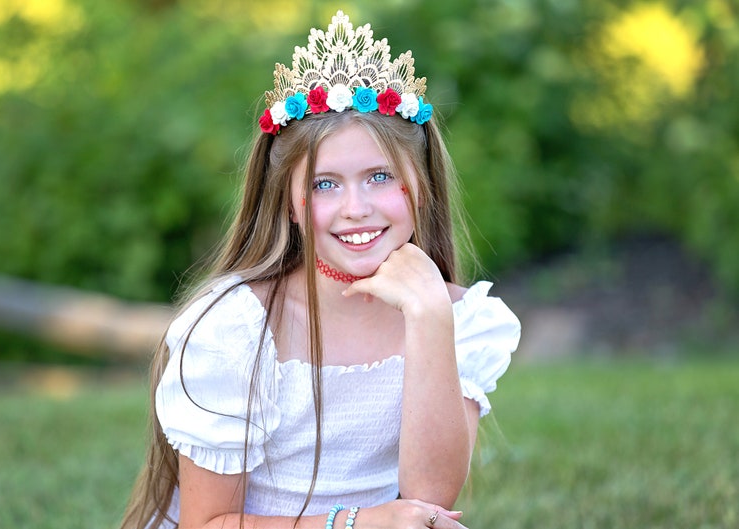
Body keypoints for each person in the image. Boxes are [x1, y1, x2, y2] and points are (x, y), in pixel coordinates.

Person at [120, 10, 520, 529]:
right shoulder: (235, 328)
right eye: (324, 184)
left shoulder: (461, 318)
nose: (356, 207)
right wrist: (357, 523)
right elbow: (209, 524)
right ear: (288, 203)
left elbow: (429, 503)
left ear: (420, 186)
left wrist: (429, 316)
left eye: (380, 176)